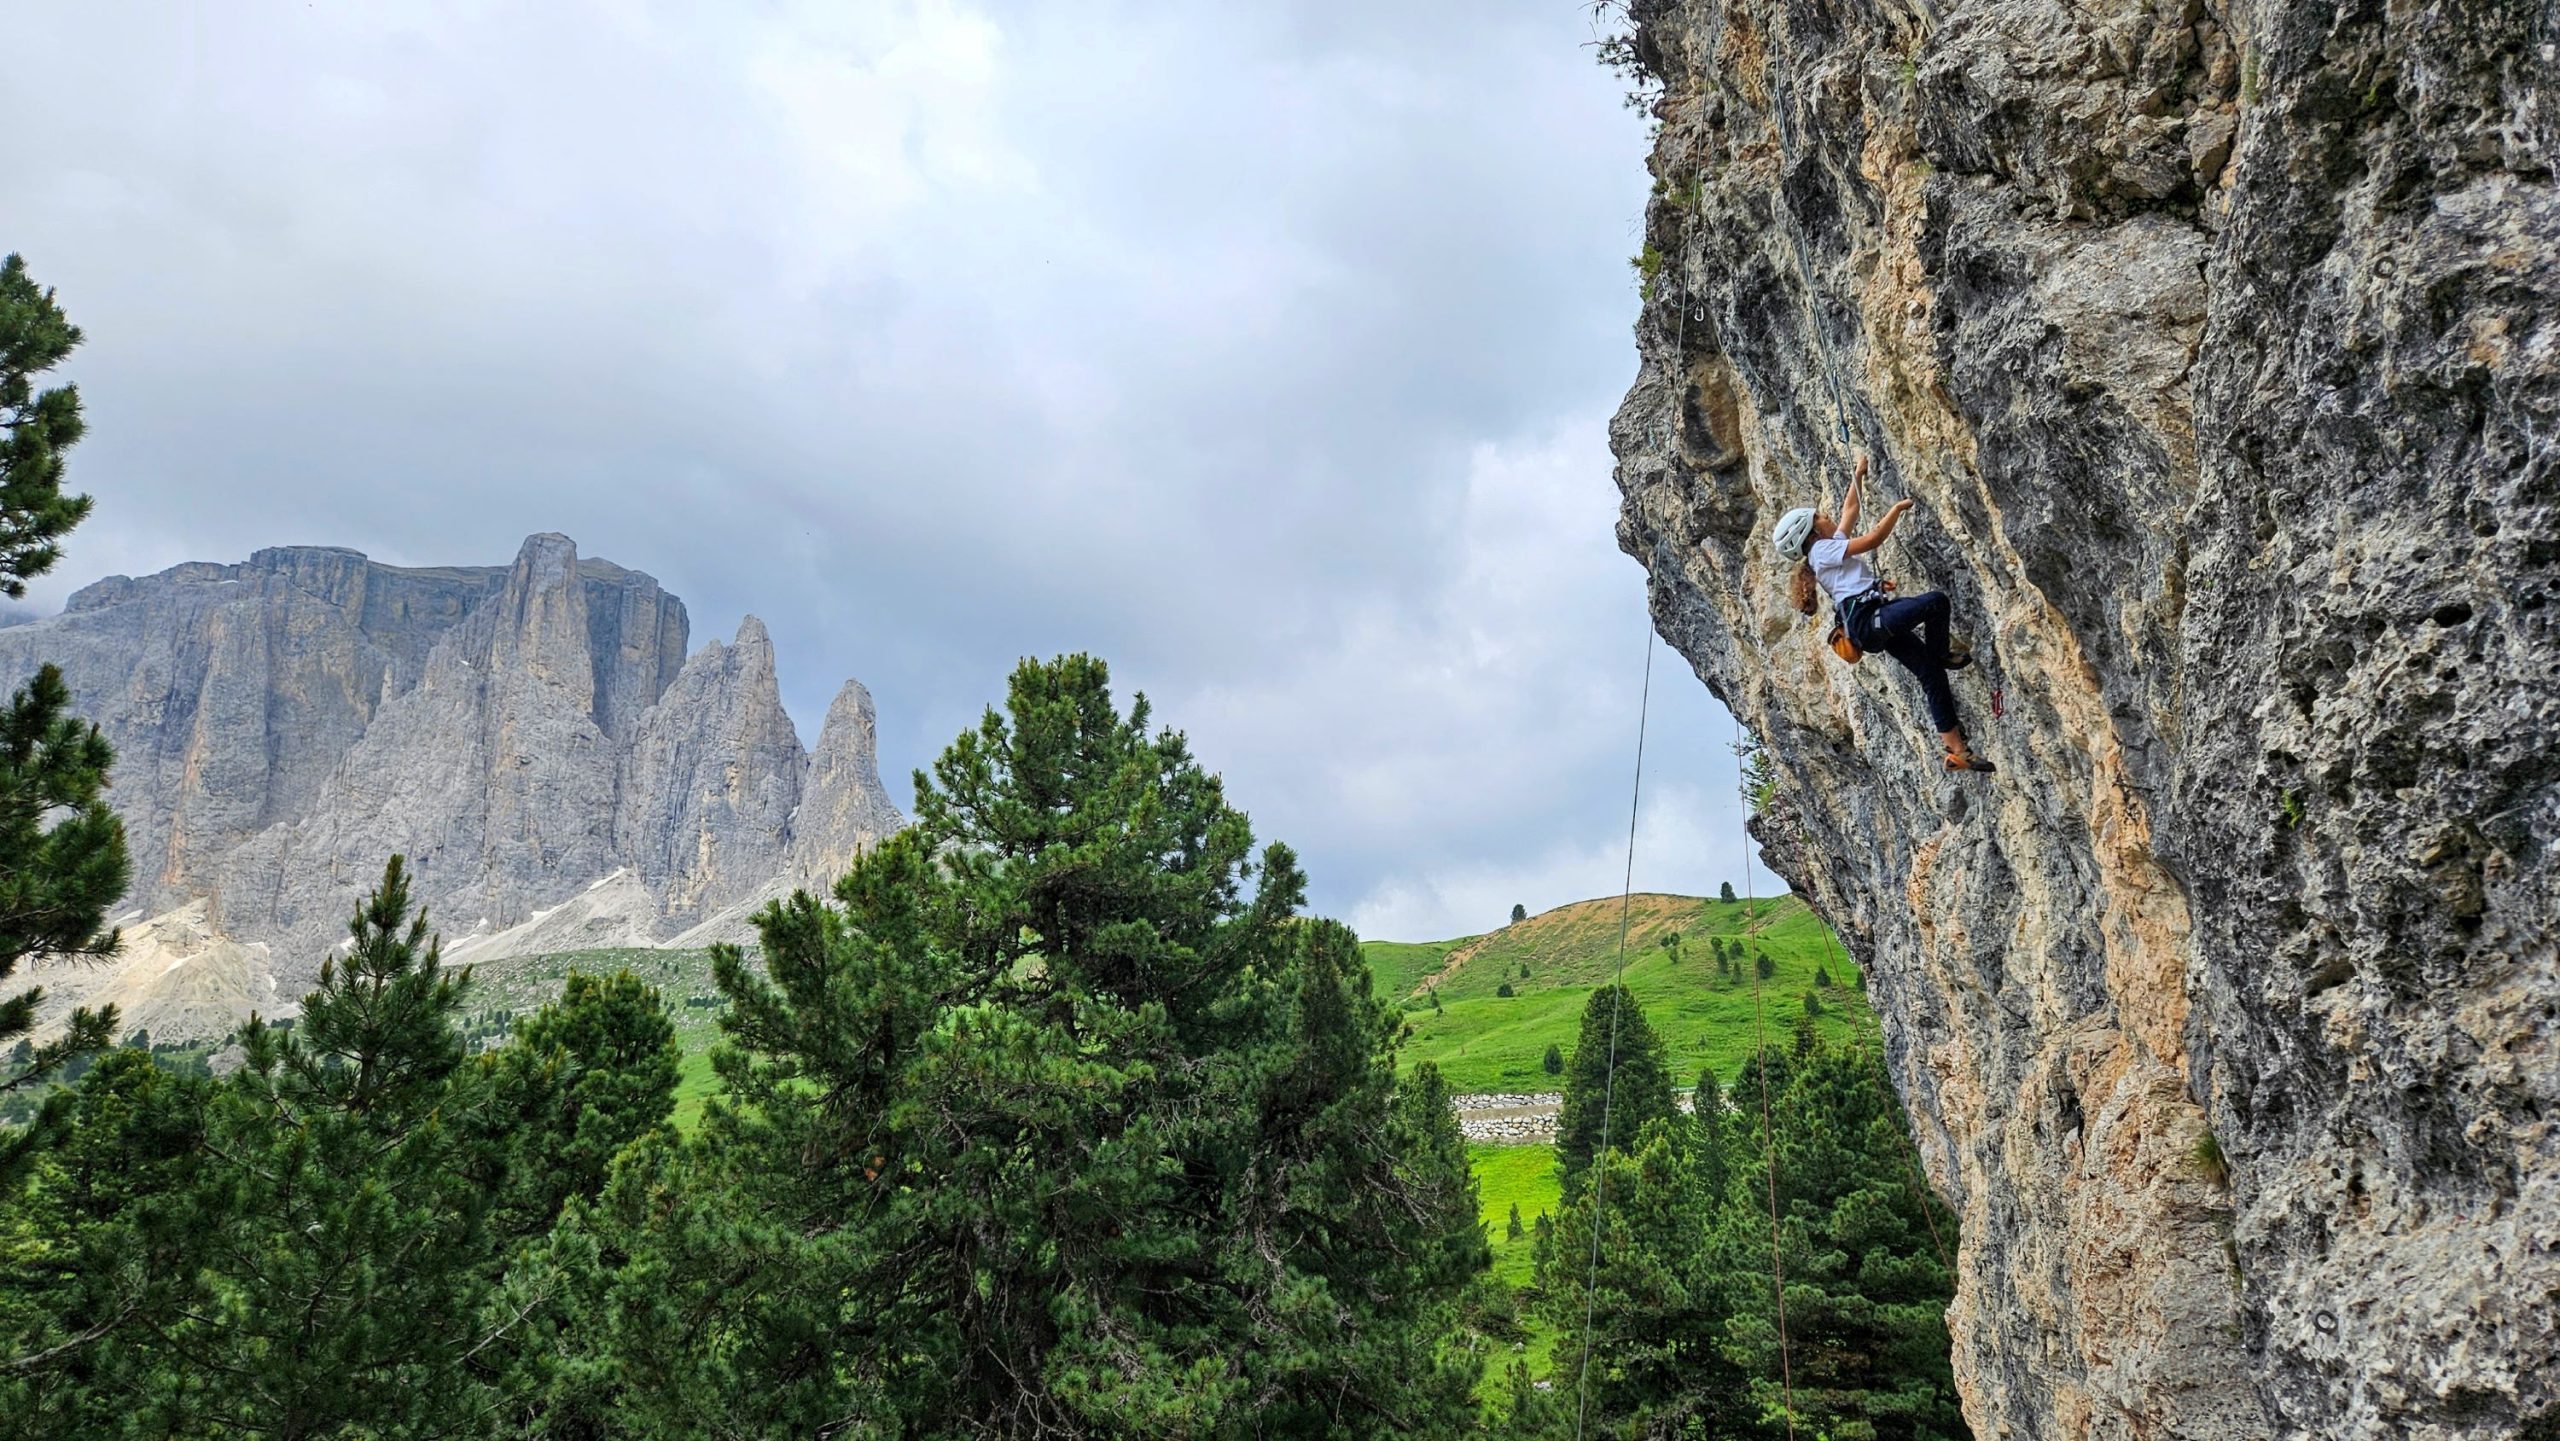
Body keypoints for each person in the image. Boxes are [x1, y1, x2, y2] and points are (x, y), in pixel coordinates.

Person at [1775, 456, 1993, 774]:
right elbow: (1873, 539)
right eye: (1820, 517)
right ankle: (1942, 652)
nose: (1827, 517)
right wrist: (1895, 510)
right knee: (1935, 602)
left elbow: (1851, 510)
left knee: (1931, 674)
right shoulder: (1821, 551)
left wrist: (1859, 476)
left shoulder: (1827, 547)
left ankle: (1957, 752)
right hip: (1867, 622)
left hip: (1874, 618)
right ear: (1811, 534)